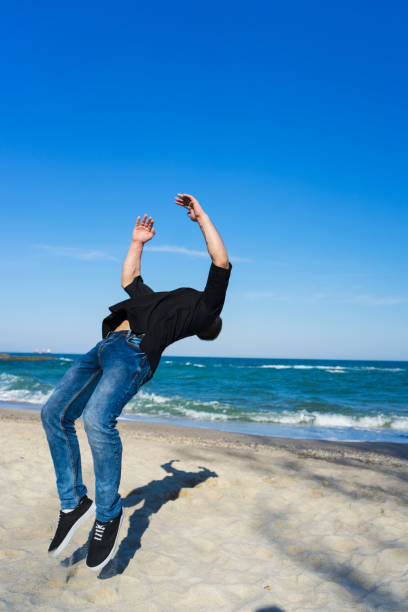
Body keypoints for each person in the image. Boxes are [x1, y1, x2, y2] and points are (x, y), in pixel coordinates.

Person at [41, 193, 232, 572]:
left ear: (208, 324)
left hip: (134, 353)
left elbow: (220, 262)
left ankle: (108, 514)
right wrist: (136, 243)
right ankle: (73, 502)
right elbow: (130, 279)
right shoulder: (157, 301)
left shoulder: (203, 310)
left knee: (97, 420)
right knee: (53, 413)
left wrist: (202, 218)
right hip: (105, 345)